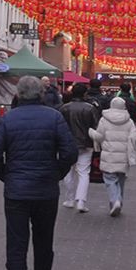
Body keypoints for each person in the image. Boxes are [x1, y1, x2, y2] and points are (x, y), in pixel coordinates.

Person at [0, 74, 77, 270]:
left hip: (17, 192)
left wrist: (8, 176)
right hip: (45, 191)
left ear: (17, 94)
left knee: (16, 248)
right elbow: (70, 152)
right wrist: (56, 173)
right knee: (44, 244)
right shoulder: (54, 117)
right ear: (42, 94)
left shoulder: (8, 119)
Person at [89, 96, 136, 217]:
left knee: (109, 178)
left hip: (109, 154)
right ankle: (119, 201)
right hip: (123, 156)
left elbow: (99, 136)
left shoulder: (104, 119)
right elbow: (134, 137)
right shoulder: (129, 121)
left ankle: (114, 200)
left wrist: (91, 132)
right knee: (121, 179)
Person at [57, 84, 100, 212]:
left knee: (68, 171)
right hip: (86, 143)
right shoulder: (90, 108)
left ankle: (69, 199)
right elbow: (96, 126)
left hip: (67, 144)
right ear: (84, 94)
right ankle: (81, 201)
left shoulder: (64, 108)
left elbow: (59, 127)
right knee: (83, 172)